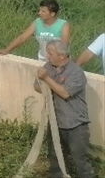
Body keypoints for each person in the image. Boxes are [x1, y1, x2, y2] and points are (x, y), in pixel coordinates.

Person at [35, 41, 95, 178]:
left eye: (50, 53)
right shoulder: (49, 67)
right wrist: (46, 81)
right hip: (56, 122)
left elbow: (65, 93)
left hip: (75, 125)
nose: (47, 56)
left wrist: (46, 79)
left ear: (62, 55)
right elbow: (37, 87)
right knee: (55, 159)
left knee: (80, 161)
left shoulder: (76, 72)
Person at [0, 0, 71, 62]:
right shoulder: (37, 22)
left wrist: (59, 64)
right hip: (42, 60)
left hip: (58, 62)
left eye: (43, 11)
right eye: (39, 10)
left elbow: (64, 45)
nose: (39, 13)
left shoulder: (63, 25)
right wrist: (7, 50)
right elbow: (22, 38)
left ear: (52, 14)